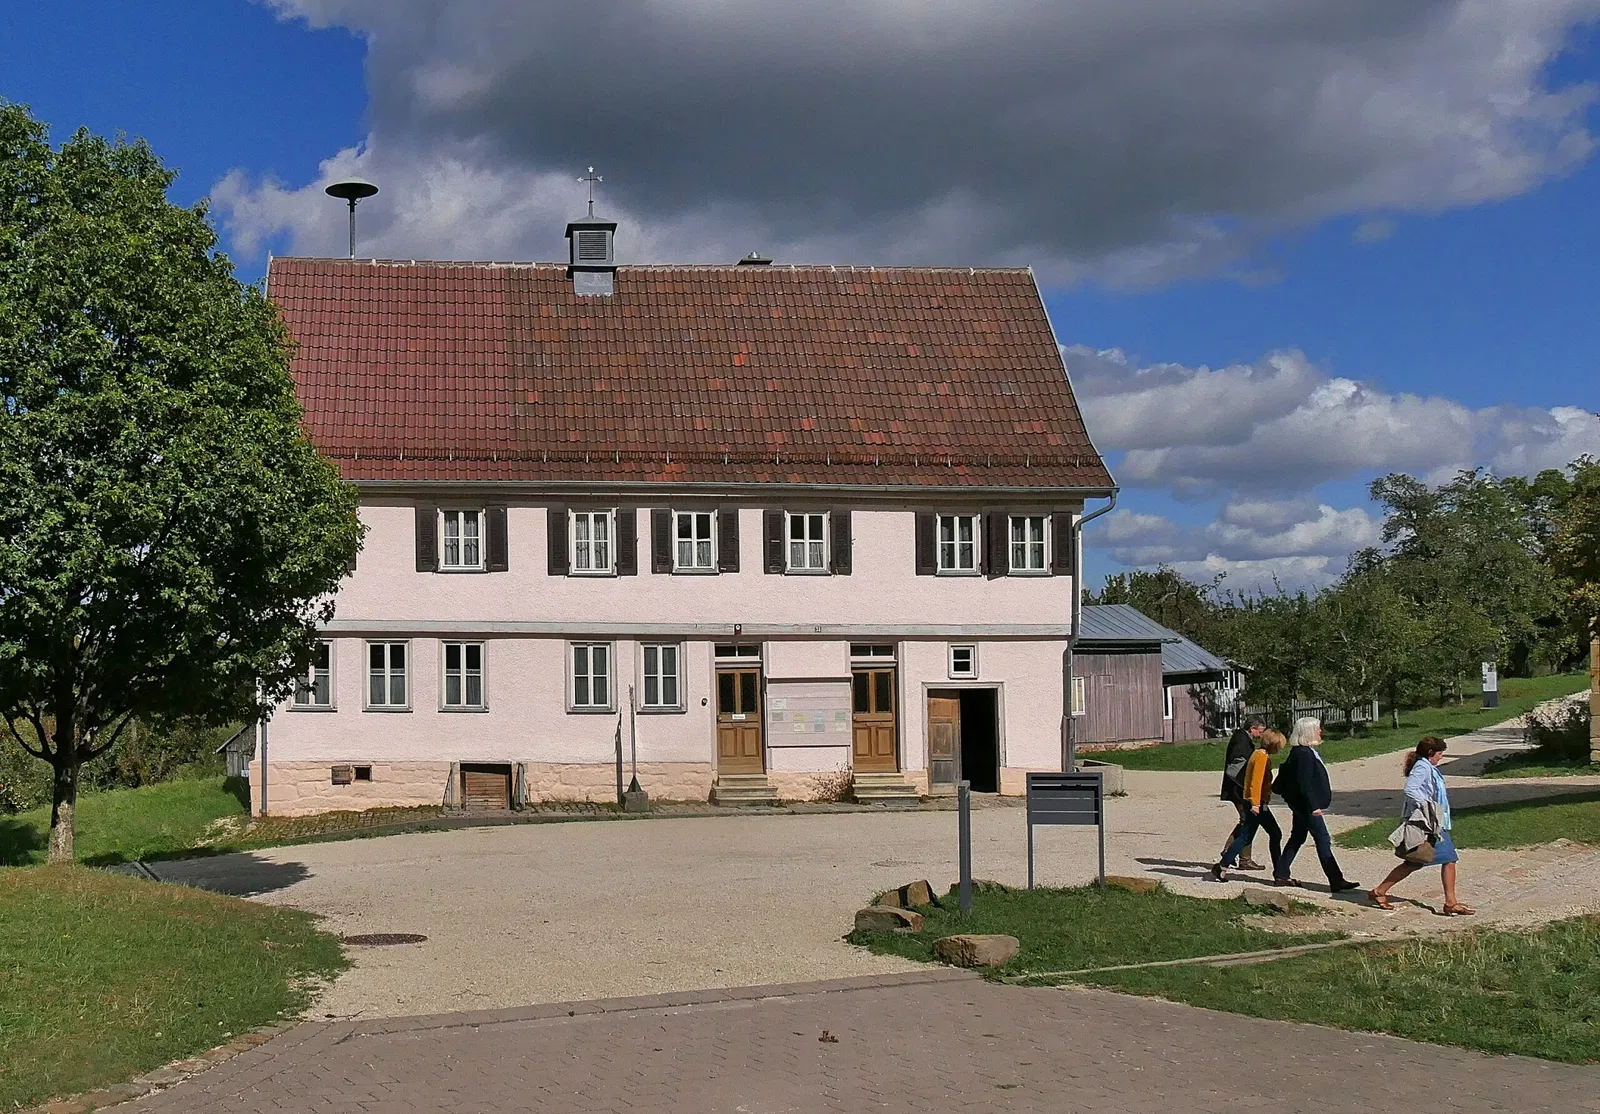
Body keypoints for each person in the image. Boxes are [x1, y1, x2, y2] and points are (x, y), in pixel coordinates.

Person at [1368, 737, 1475, 915]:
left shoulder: (1427, 767)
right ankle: (1450, 902)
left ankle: (1379, 892)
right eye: (1440, 754)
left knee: (1418, 861)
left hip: (1433, 822)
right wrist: (1427, 805)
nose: (1441, 757)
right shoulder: (1422, 767)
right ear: (1431, 753)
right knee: (1442, 859)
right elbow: (1410, 789)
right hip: (1426, 823)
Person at [1273, 717, 1359, 893]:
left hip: (1301, 805)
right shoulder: (1302, 754)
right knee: (1323, 838)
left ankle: (1281, 873)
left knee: (1298, 837)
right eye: (1318, 729)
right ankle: (1336, 879)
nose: (1321, 732)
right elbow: (1304, 784)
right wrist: (1313, 807)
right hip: (1306, 806)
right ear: (1309, 732)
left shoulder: (1305, 751)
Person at [1210, 728, 1285, 881]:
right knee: (1267, 834)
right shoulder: (1262, 757)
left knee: (1249, 836)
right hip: (1256, 804)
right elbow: (1255, 783)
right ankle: (1280, 872)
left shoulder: (1257, 754)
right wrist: (1256, 804)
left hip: (1252, 802)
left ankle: (1223, 866)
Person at [1219, 716, 1267, 871]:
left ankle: (1232, 852)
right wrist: (1247, 786)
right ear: (1252, 728)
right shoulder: (1241, 741)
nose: (1260, 735)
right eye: (1260, 731)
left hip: (1239, 789)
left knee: (1246, 820)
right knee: (1247, 821)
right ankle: (1241, 858)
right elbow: (1234, 769)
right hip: (1238, 790)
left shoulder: (1243, 738)